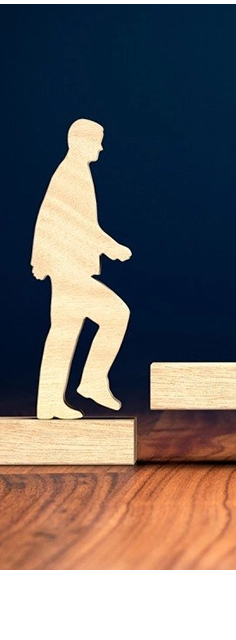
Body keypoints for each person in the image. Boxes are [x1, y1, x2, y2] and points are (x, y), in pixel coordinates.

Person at [31, 119, 132, 419]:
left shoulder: (73, 172)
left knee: (63, 332)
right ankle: (91, 381)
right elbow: (77, 224)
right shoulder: (72, 173)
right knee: (116, 314)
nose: (100, 148)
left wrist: (39, 258)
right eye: (97, 141)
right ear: (79, 141)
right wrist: (111, 246)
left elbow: (48, 216)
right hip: (69, 271)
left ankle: (49, 402)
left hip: (66, 269)